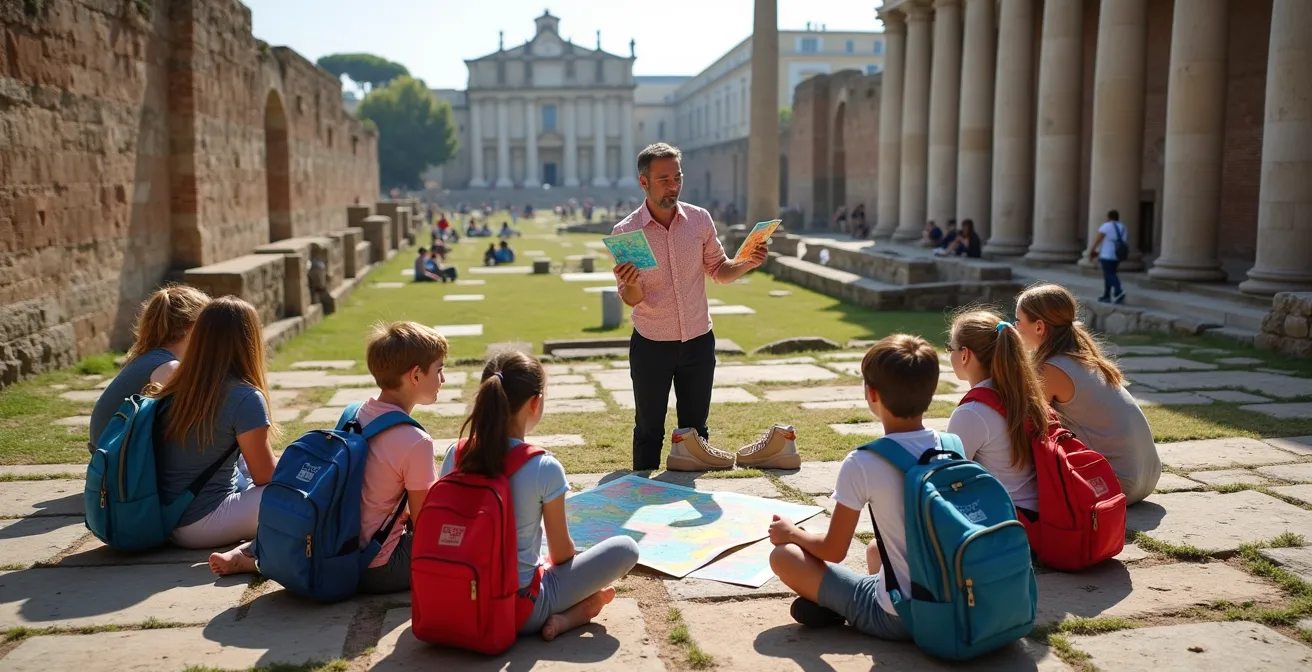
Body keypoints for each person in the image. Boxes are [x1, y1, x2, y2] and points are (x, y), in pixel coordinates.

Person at [210, 321, 448, 589]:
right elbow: (425, 521)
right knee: (454, 544)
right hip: (377, 565)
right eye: (439, 370)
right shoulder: (416, 441)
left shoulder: (353, 414)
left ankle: (257, 556)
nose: (443, 379)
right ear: (415, 375)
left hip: (332, 547)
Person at [437, 351, 639, 640]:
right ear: (535, 403)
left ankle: (574, 613)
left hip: (454, 601)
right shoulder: (543, 467)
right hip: (519, 611)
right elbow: (561, 554)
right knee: (626, 548)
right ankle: (575, 614)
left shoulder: (455, 454)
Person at [765, 334, 941, 638]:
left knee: (784, 556)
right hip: (953, 599)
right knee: (875, 550)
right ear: (933, 389)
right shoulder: (950, 445)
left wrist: (791, 533)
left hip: (901, 617)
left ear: (871, 393)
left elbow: (833, 551)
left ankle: (841, 607)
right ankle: (834, 603)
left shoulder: (864, 462)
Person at [611, 143, 769, 471]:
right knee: (648, 431)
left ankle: (690, 496)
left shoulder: (699, 219)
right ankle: (641, 491)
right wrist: (632, 283)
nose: (674, 185)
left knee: (696, 433)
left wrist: (747, 262)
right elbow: (632, 298)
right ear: (644, 182)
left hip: (698, 341)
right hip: (652, 343)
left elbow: (719, 271)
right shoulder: (626, 232)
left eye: (678, 177)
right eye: (664, 179)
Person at [148, 297, 277, 550]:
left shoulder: (176, 385)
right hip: (203, 520)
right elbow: (265, 475)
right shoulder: (245, 397)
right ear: (250, 341)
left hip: (166, 518)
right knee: (307, 493)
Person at [1015, 284, 1161, 503]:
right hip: (1147, 476)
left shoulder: (1052, 369)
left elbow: (1027, 425)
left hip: (1117, 483)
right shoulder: (1080, 357)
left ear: (1039, 327)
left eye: (1018, 320)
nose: (1015, 327)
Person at [945, 310, 1045, 517]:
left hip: (1005, 521)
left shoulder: (971, 413)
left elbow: (950, 478)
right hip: (1039, 516)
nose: (949, 353)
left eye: (950, 348)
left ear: (965, 354)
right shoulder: (1023, 395)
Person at [89, 285, 210, 453]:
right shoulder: (167, 367)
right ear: (192, 327)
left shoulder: (150, 357)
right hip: (118, 459)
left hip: (109, 452)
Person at [1089, 210, 1127, 304]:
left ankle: (1119, 291)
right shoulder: (1122, 227)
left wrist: (1092, 250)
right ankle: (1107, 295)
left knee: (1110, 274)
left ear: (1109, 217)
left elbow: (1099, 239)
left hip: (1107, 254)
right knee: (1109, 274)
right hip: (1117, 255)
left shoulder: (1106, 226)